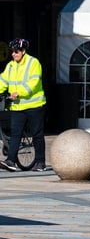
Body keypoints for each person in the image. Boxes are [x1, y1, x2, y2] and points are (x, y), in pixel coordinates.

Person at [0, 38, 47, 172]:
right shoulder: (10, 66)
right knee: (15, 134)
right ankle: (11, 161)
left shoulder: (33, 63)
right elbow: (2, 80)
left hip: (34, 105)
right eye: (12, 52)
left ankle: (40, 162)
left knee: (37, 134)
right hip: (17, 107)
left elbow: (33, 82)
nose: (14, 54)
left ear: (23, 51)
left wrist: (18, 93)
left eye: (16, 51)